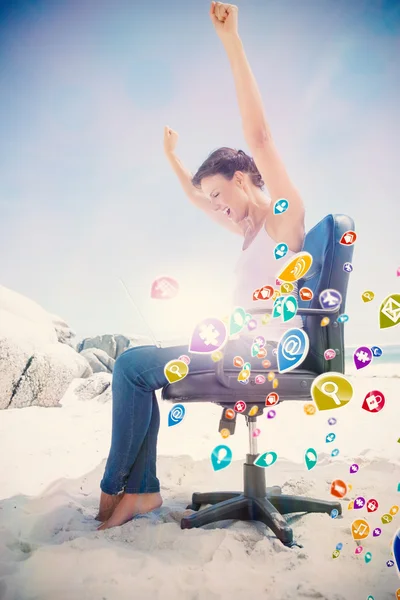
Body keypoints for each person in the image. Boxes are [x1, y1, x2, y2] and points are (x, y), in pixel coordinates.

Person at [96, 1, 305, 530]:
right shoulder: (250, 233)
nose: (218, 207)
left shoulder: (282, 219)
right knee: (137, 367)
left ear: (241, 177)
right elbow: (195, 199)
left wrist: (231, 40)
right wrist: (173, 158)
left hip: (263, 354)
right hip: (238, 347)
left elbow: (260, 139)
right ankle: (137, 492)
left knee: (131, 366)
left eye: (220, 194)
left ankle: (122, 490)